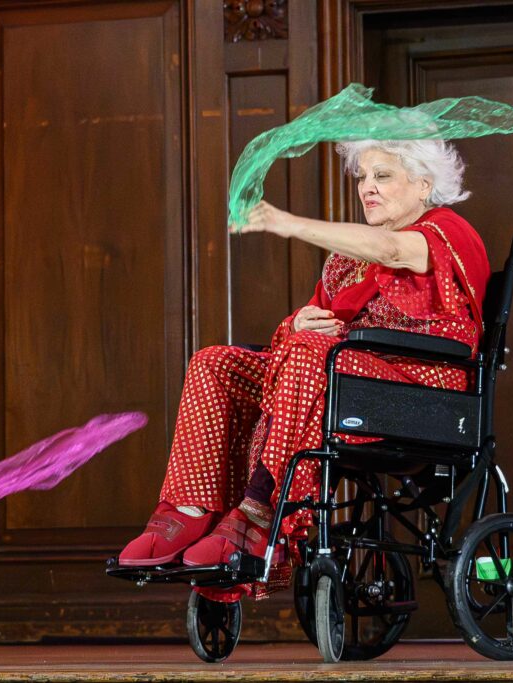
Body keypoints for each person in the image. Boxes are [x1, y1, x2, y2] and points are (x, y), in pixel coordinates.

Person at [118, 139, 489, 588]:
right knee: (214, 363)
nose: (367, 188)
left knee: (311, 353)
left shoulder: (448, 233)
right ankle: (189, 509)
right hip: (339, 380)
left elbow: (390, 250)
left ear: (424, 184)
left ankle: (260, 510)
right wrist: (299, 322)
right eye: (362, 177)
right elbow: (304, 339)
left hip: (418, 390)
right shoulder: (347, 261)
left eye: (383, 176)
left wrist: (286, 222)